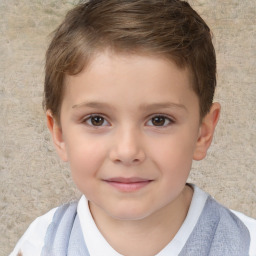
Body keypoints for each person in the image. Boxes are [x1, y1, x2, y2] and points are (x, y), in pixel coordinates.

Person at [10, 0, 256, 255]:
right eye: (96, 120)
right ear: (59, 134)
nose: (127, 151)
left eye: (159, 120)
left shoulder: (247, 245)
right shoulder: (38, 245)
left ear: (202, 133)